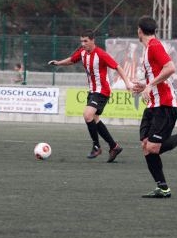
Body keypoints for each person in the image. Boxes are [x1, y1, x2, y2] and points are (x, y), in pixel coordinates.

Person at [132, 15, 177, 198]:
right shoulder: (148, 49)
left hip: (165, 104)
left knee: (154, 147)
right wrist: (144, 85)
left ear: (139, 30)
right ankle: (163, 188)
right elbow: (161, 75)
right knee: (146, 145)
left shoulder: (154, 46)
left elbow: (170, 68)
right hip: (153, 104)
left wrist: (149, 85)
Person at [48, 29, 132, 162]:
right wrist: (58, 63)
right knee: (95, 119)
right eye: (81, 41)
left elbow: (117, 67)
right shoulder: (82, 53)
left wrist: (127, 83)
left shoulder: (101, 54)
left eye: (85, 41)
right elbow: (72, 60)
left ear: (93, 40)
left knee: (87, 114)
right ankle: (114, 146)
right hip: (92, 91)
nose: (83, 44)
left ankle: (96, 146)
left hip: (102, 91)